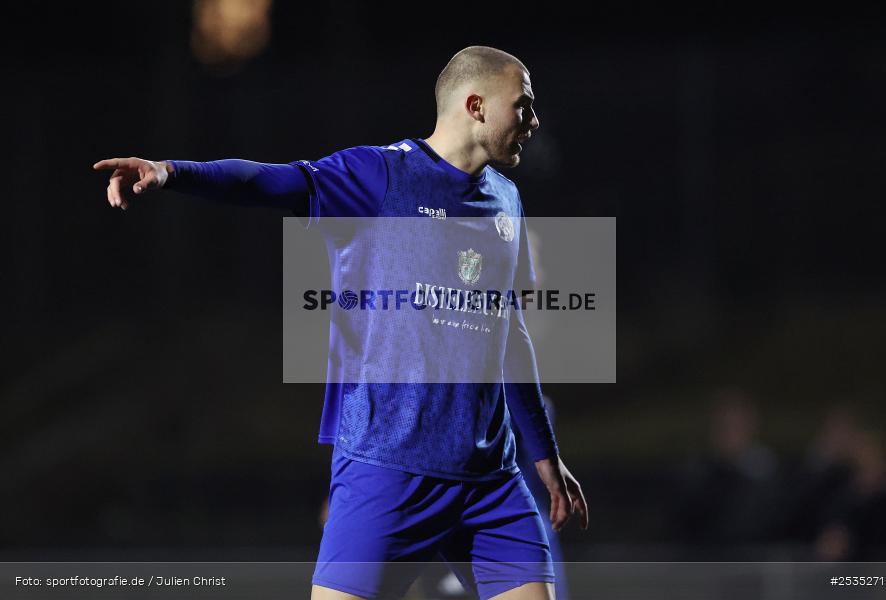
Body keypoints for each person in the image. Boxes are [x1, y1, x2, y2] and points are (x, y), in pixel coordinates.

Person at [94, 46, 588, 600]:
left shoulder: (506, 200)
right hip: (388, 468)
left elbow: (509, 334)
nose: (533, 121)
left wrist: (544, 455)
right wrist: (169, 172)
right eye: (523, 106)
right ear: (476, 106)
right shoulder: (379, 176)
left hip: (490, 482)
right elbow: (267, 181)